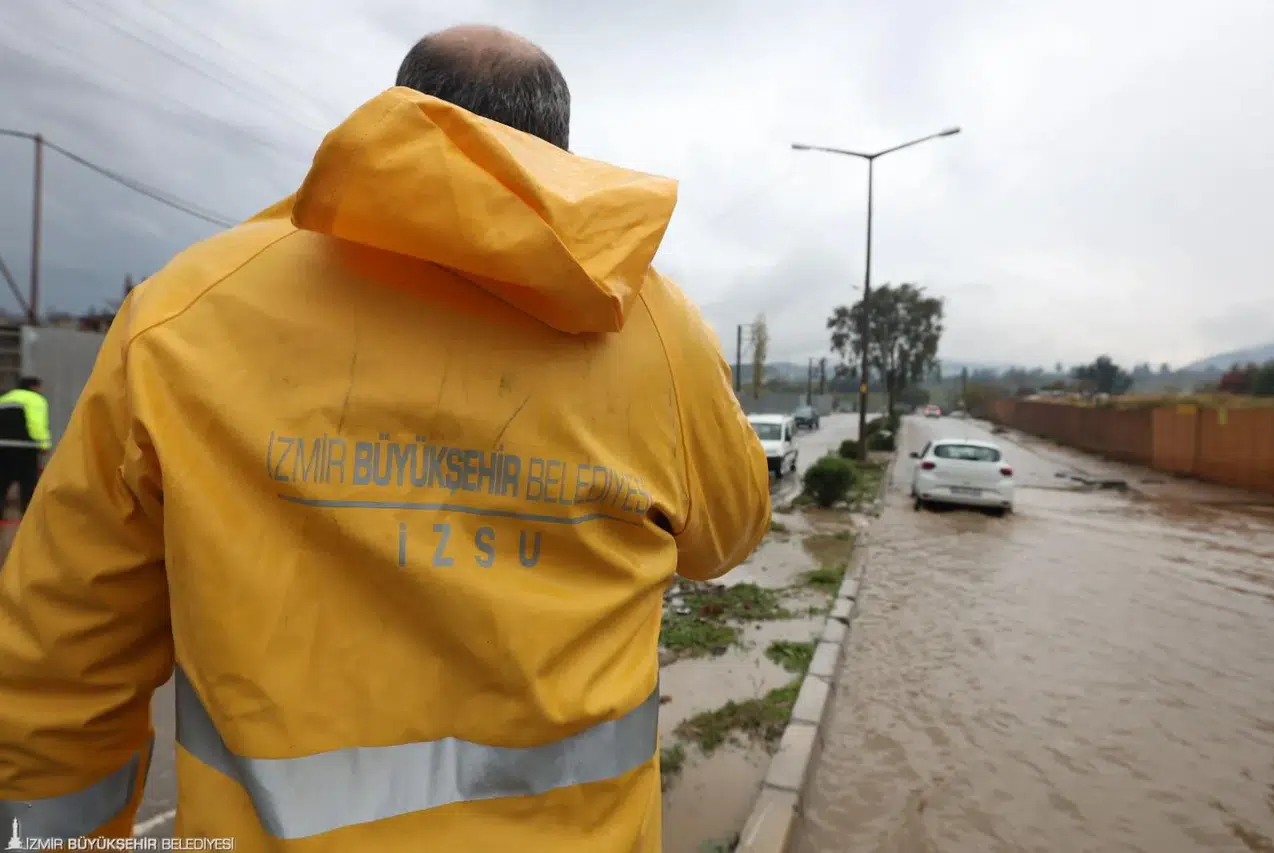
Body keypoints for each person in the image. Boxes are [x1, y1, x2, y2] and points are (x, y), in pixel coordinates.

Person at [0, 24, 770, 852]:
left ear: (399, 111)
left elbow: (59, 674)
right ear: (558, 152)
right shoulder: (656, 330)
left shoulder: (184, 313)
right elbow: (726, 536)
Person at [0, 376, 50, 517]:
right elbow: (36, 424)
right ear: (33, 387)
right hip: (25, 447)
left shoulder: (4, 399)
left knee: (2, 483)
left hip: (2, 447)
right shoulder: (34, 399)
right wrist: (43, 444)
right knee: (28, 484)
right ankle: (29, 517)